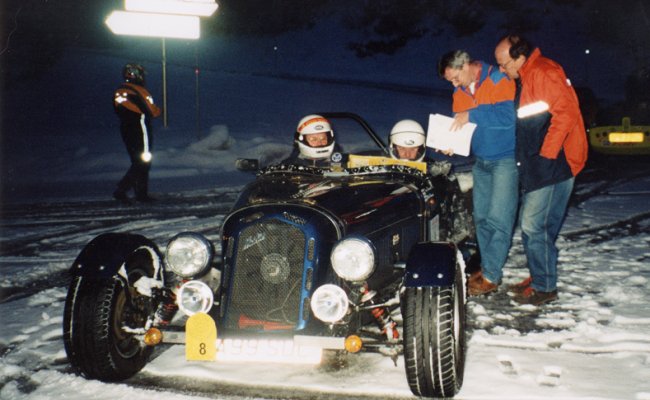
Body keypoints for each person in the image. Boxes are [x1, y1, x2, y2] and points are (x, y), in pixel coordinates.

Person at [494, 34, 588, 305]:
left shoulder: (544, 72)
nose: (501, 69)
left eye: (504, 64)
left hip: (554, 164)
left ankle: (545, 287)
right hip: (541, 163)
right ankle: (539, 275)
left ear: (520, 58)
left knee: (534, 225)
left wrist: (547, 154)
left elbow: (566, 113)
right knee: (539, 226)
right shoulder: (527, 75)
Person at [438, 50, 519, 297]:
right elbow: (464, 129)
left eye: (455, 78)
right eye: (450, 81)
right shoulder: (460, 92)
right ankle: (487, 268)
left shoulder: (498, 79)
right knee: (481, 219)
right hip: (481, 161)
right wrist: (451, 143)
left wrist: (472, 114)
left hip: (505, 159)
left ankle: (491, 276)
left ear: (466, 65)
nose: (454, 85)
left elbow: (507, 117)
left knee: (499, 219)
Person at [112, 63, 161, 202]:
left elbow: (118, 110)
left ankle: (140, 193)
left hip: (126, 128)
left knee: (137, 160)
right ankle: (124, 188)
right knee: (144, 161)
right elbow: (152, 111)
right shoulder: (138, 90)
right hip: (140, 127)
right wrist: (158, 110)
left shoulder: (119, 91)